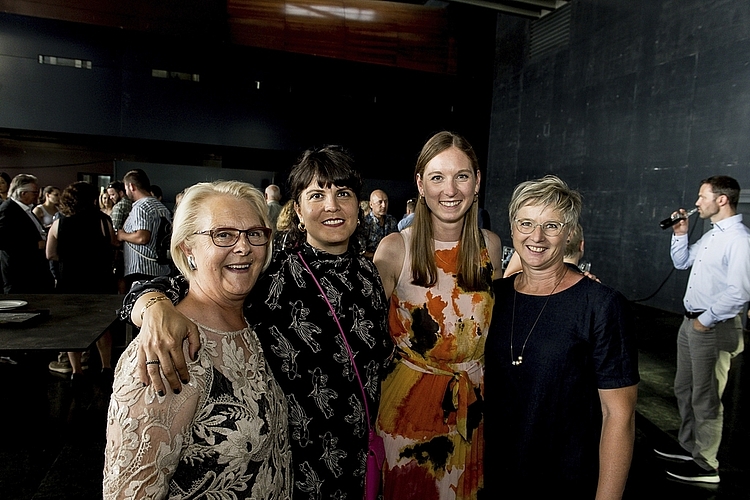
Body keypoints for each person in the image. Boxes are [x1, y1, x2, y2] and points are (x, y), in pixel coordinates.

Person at [118, 146, 392, 499]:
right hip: (301, 472)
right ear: (297, 210)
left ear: (359, 205)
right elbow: (176, 285)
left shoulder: (369, 275)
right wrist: (153, 308)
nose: (332, 206)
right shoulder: (271, 272)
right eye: (316, 195)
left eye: (343, 194)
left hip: (360, 460)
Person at [103, 180, 291, 499]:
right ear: (188, 248)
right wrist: (151, 306)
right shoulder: (168, 349)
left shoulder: (254, 323)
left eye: (254, 233)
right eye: (223, 234)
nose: (243, 247)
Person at [484, 175, 639, 498]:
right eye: (526, 223)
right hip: (492, 479)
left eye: (551, 226)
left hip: (566, 482)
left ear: (569, 233)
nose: (536, 236)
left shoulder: (601, 304)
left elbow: (618, 415)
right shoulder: (491, 297)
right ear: (512, 229)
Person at [373, 131, 503, 500]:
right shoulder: (395, 248)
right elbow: (356, 323)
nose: (450, 189)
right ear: (420, 184)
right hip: (409, 409)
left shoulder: (490, 245)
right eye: (437, 177)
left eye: (461, 176)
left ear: (477, 182)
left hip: (474, 406)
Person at [654, 176, 750, 484]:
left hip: (712, 327)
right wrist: (680, 233)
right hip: (692, 323)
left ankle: (707, 465)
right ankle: (689, 446)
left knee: (706, 398)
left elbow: (739, 292)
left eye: (701, 197)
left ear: (721, 200)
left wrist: (703, 320)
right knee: (685, 389)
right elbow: (681, 262)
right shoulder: (712, 235)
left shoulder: (740, 240)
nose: (696, 203)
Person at [45, 181, 118, 386]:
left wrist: (70, 258)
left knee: (72, 327)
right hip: (100, 280)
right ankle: (106, 367)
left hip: (71, 280)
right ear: (93, 200)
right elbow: (112, 244)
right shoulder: (103, 221)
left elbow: (50, 253)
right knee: (103, 326)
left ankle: (76, 371)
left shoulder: (60, 223)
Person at [115, 169, 172, 290]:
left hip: (141, 270)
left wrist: (122, 235)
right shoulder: (162, 207)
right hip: (161, 270)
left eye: (126, 188)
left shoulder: (141, 207)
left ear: (131, 186)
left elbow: (142, 237)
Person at [0, 174, 54, 293]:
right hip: (20, 273)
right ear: (23, 193)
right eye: (34, 192)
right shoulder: (7, 210)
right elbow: (2, 240)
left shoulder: (25, 209)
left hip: (32, 272)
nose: (38, 196)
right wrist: (34, 245)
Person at [503, 221, 586, 277]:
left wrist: (528, 247)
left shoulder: (524, 280)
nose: (537, 238)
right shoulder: (590, 288)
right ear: (581, 246)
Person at [363, 189, 398, 259]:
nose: (384, 205)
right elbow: (361, 251)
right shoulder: (364, 224)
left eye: (386, 201)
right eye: (380, 202)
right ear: (371, 204)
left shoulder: (392, 220)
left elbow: (397, 243)